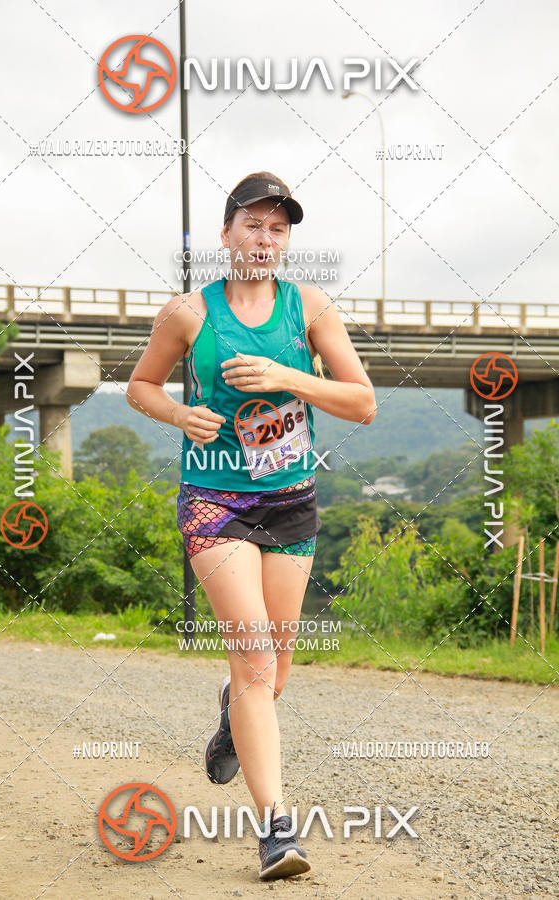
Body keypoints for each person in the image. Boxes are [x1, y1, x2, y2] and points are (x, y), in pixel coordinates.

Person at [127, 171, 377, 880]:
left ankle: (232, 712)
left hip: (290, 501)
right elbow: (140, 386)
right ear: (226, 234)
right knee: (257, 659)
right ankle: (276, 830)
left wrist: (286, 375)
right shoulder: (188, 313)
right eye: (253, 225)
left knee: (274, 673)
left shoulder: (310, 309)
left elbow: (362, 403)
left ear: (286, 240)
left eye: (278, 228)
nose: (265, 239)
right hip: (216, 501)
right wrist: (179, 413)